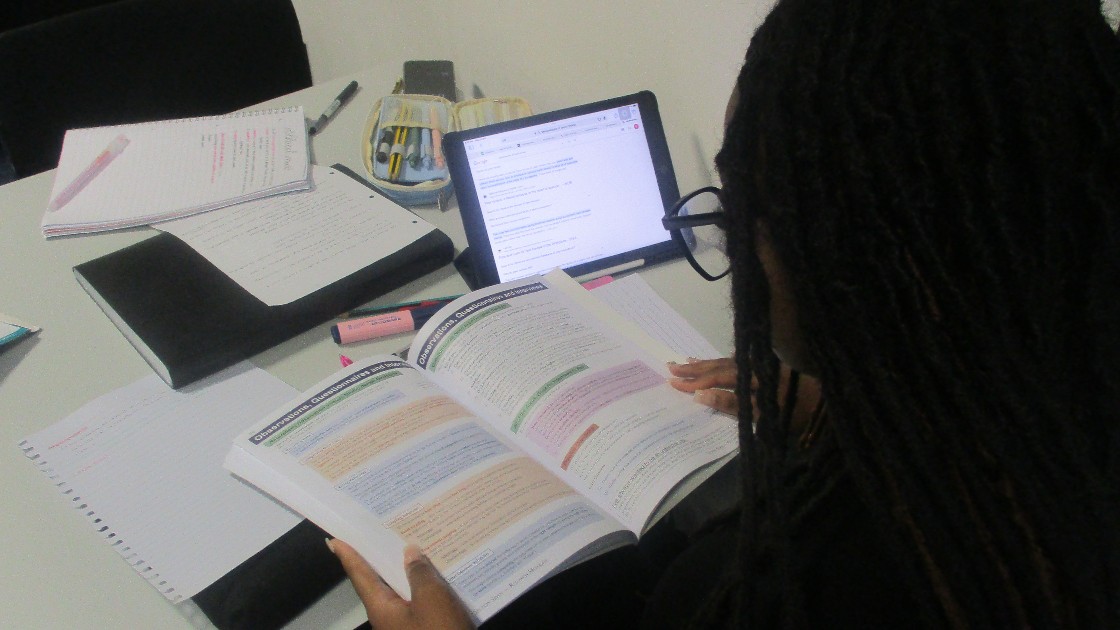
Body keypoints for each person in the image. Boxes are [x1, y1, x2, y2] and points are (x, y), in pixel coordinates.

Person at [328, 0, 1120, 627]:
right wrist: (845, 403)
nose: (740, 247)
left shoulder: (806, 591)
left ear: (853, 266)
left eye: (746, 210)